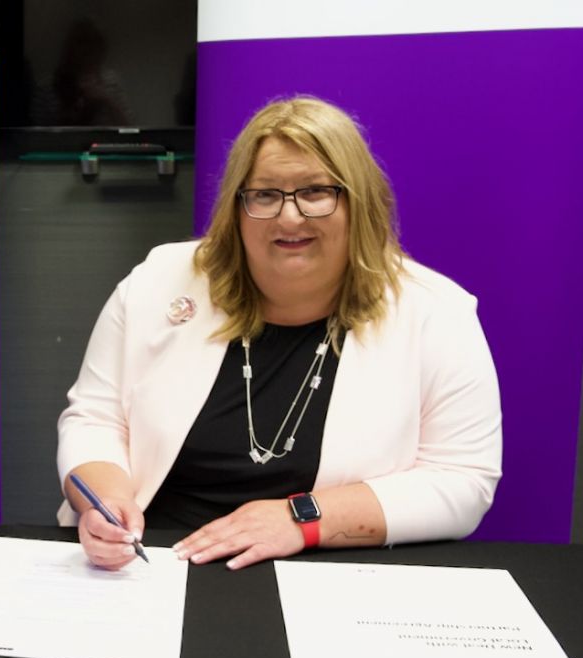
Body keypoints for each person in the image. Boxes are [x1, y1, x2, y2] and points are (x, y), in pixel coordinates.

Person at [57, 96, 501, 570]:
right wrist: (104, 502)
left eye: (315, 192)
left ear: (359, 202)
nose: (289, 217)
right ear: (237, 207)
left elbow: (462, 480)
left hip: (330, 571)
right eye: (265, 194)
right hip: (154, 562)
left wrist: (303, 519)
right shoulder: (158, 280)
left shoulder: (434, 311)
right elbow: (95, 419)